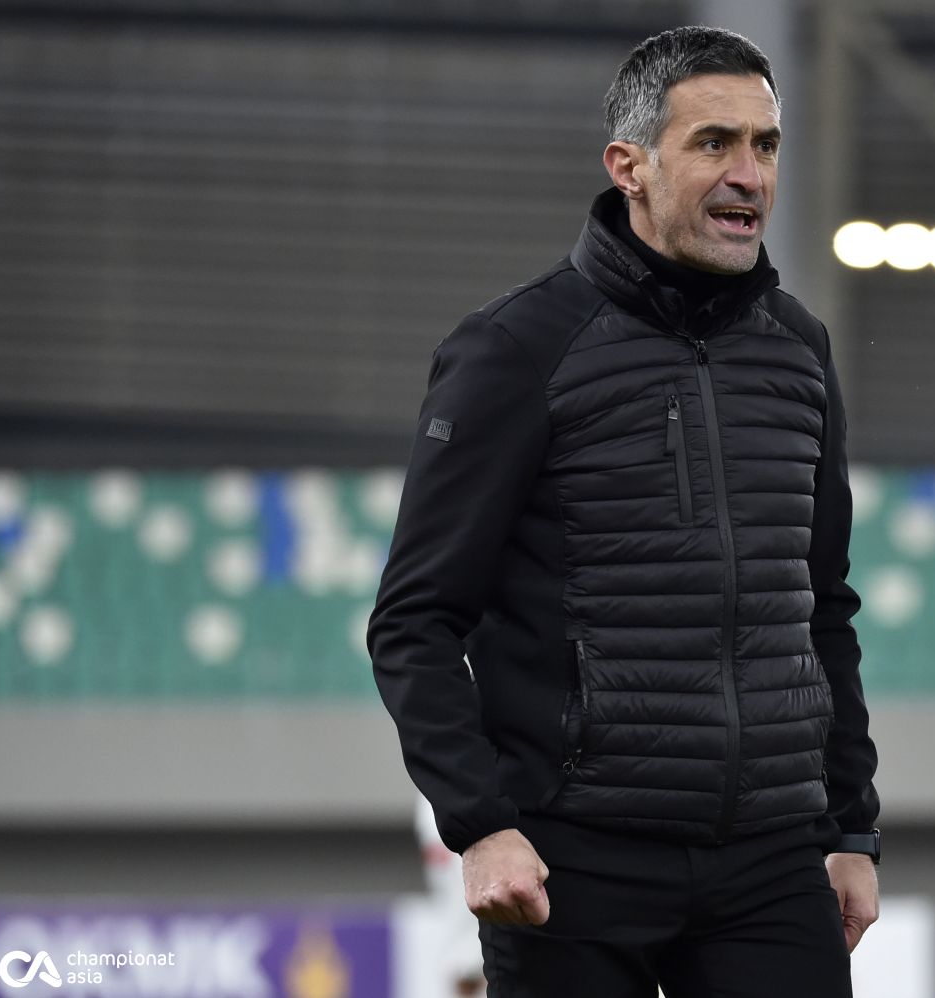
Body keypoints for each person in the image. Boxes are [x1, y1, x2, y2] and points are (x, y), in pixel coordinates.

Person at [368, 25, 881, 998]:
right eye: (714, 143)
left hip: (771, 859)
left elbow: (821, 608)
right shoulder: (515, 348)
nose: (748, 174)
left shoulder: (800, 349)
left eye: (766, 145)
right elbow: (415, 621)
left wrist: (852, 826)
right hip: (571, 860)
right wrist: (482, 824)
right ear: (629, 167)